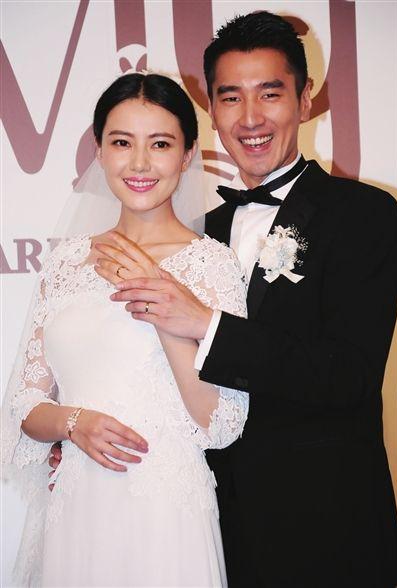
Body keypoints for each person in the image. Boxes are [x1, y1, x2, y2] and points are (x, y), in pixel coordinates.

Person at [106, 11, 397, 588]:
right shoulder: (199, 232)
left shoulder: (365, 214)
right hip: (213, 530)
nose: (250, 118)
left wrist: (207, 323)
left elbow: (349, 375)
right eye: (231, 98)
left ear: (305, 98)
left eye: (270, 93)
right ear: (212, 111)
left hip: (327, 529)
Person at [1, 72, 249, 587]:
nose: (139, 164)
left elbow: (220, 423)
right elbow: (25, 404)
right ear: (99, 150)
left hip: (167, 516)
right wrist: (74, 422)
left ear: (186, 155)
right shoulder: (67, 261)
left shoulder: (212, 264)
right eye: (121, 143)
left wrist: (159, 300)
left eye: (160, 144)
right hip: (77, 513)